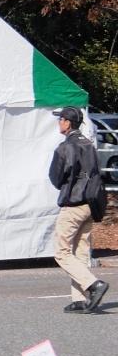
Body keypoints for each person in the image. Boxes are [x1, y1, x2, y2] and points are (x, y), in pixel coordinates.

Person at [49, 106, 109, 314]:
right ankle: (80, 299)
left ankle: (93, 285)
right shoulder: (89, 144)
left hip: (73, 204)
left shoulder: (65, 147)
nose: (59, 123)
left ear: (67, 123)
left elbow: (56, 178)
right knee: (80, 251)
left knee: (62, 252)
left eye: (60, 119)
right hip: (91, 204)